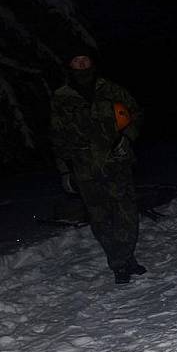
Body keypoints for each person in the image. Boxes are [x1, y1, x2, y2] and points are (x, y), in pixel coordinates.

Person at [50, 49, 146, 284]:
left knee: (127, 215)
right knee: (101, 219)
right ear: (70, 65)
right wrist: (64, 171)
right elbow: (57, 137)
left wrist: (127, 138)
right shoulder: (61, 97)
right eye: (76, 60)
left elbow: (136, 113)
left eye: (85, 60)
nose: (81, 65)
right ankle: (119, 264)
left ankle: (125, 256)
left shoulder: (111, 89)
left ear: (91, 62)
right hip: (85, 169)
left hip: (117, 162)